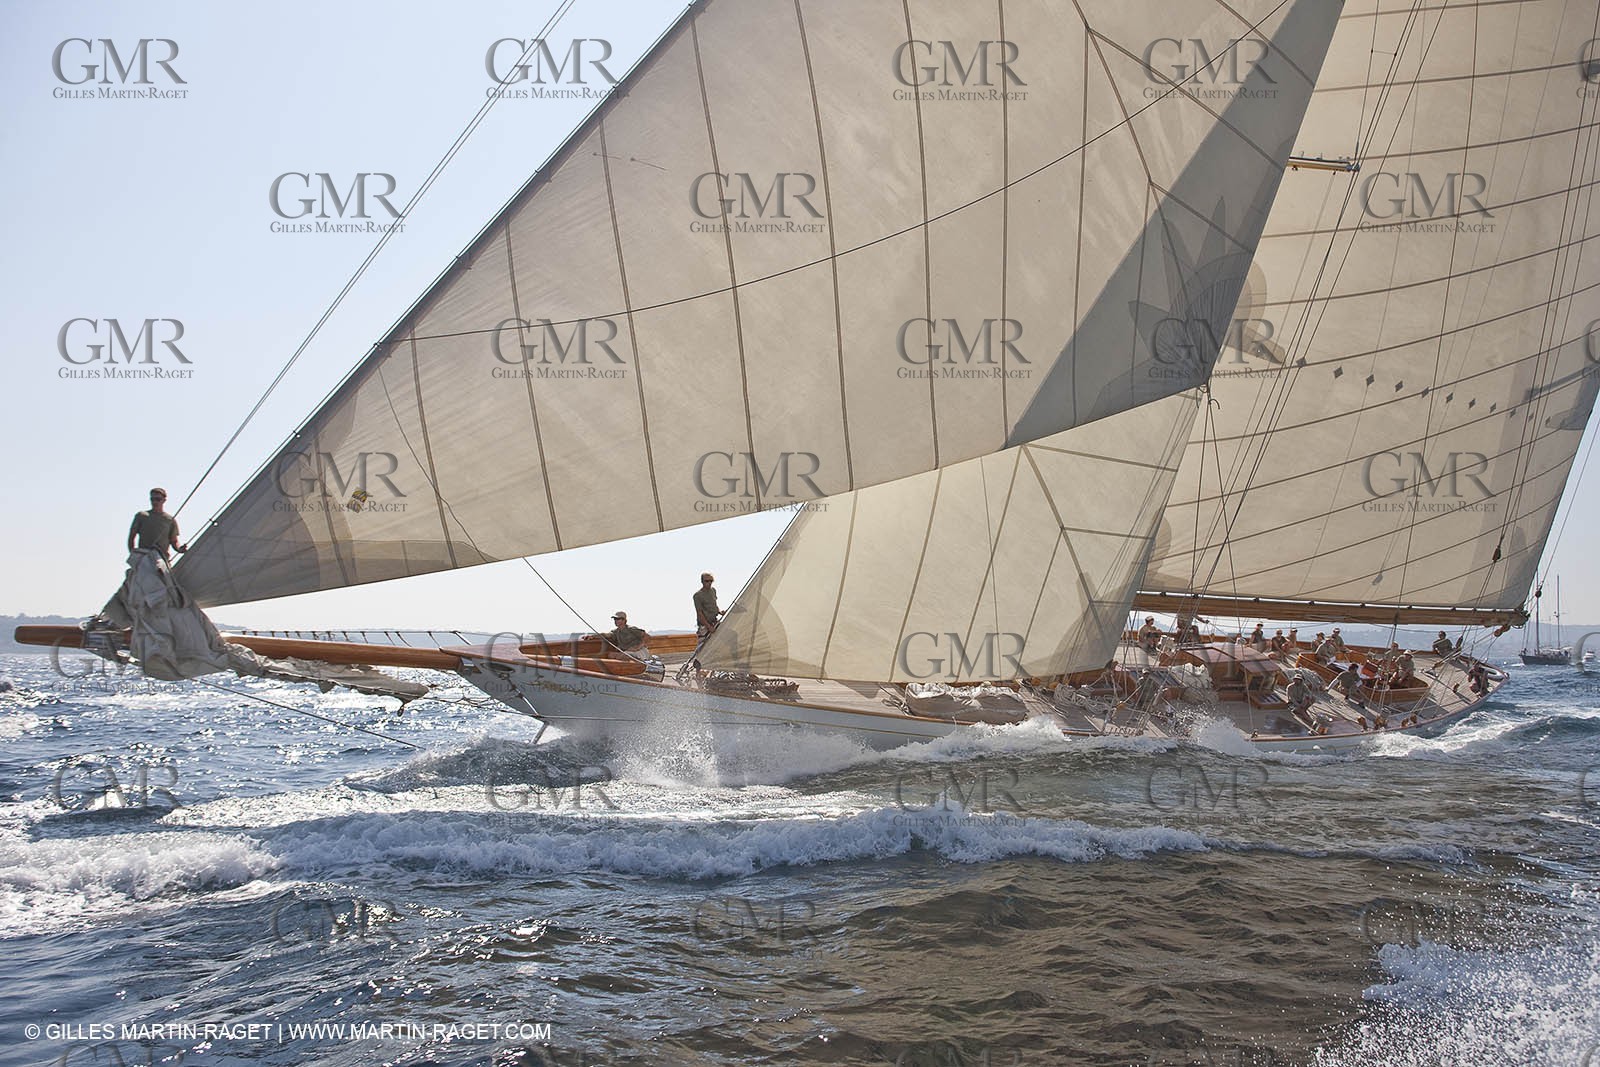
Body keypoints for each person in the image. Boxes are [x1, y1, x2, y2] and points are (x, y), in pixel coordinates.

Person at [127, 487, 187, 561]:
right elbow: (131, 537)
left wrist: (179, 549)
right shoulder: (142, 516)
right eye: (152, 499)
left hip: (162, 559)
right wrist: (133, 555)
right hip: (144, 558)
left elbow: (174, 541)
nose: (155, 502)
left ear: (164, 500)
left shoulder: (170, 520)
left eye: (158, 499)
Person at [693, 572, 723, 637]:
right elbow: (699, 613)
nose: (709, 583)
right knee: (703, 645)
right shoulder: (697, 595)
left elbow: (714, 605)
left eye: (711, 581)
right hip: (704, 626)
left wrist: (720, 612)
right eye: (707, 581)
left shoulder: (713, 590)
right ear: (702, 581)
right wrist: (709, 627)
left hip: (714, 622)